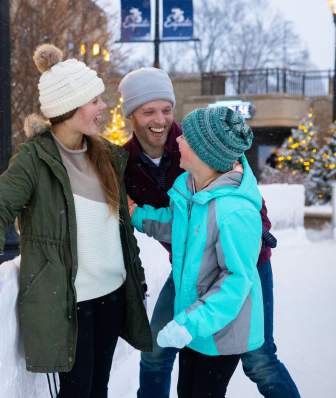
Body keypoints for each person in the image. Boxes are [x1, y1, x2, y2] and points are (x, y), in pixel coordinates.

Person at [120, 67, 301, 398]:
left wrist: (244, 232)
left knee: (258, 358)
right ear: (130, 114)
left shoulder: (200, 140)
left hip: (239, 264)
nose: (161, 120)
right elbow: (175, 220)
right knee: (159, 350)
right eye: (149, 111)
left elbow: (242, 205)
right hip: (188, 265)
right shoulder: (126, 162)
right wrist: (136, 214)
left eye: (166, 109)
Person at [0, 44, 151, 398]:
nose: (103, 107)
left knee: (98, 389)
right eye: (95, 101)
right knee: (75, 393)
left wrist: (137, 281)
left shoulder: (106, 156)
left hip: (113, 297)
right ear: (70, 107)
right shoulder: (34, 160)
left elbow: (120, 232)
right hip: (69, 306)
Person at [129, 106, 264, 397]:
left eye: (187, 138)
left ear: (206, 154)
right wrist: (136, 214)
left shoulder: (234, 211)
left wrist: (191, 322)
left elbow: (236, 280)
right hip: (193, 324)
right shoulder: (188, 187)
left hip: (218, 333)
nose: (177, 140)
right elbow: (174, 226)